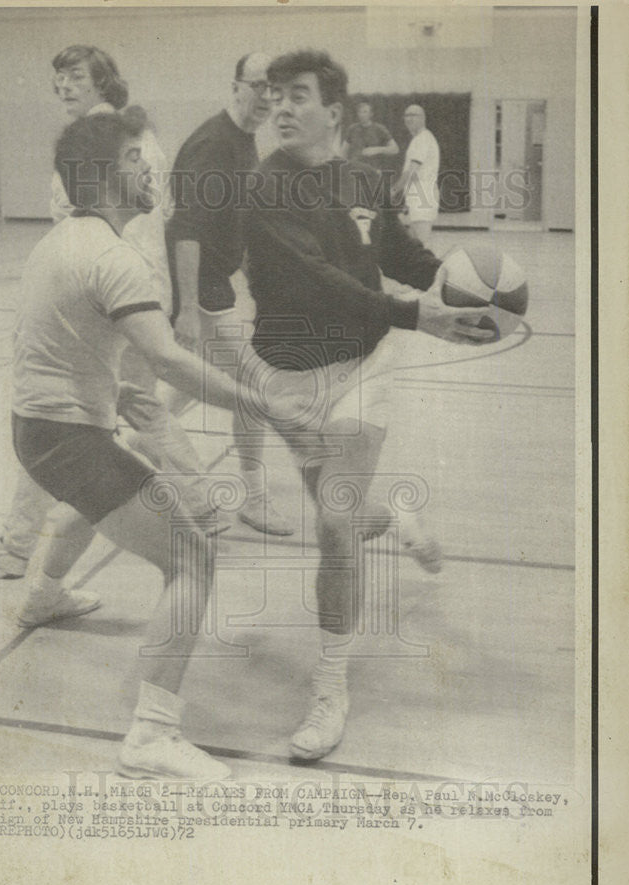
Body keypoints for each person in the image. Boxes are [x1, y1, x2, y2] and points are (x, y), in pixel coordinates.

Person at [12, 112, 304, 778]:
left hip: (38, 430)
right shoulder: (113, 257)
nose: (153, 169)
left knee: (107, 489)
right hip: (66, 437)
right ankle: (151, 734)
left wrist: (126, 416)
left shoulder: (59, 239)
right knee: (193, 559)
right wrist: (263, 404)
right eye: (139, 158)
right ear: (110, 172)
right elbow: (167, 360)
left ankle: (41, 595)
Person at [244, 50, 489, 761]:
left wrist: (467, 284)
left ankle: (329, 688)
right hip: (286, 378)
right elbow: (315, 279)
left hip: (364, 366)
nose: (283, 107)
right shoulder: (264, 187)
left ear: (335, 111)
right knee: (345, 514)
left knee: (331, 524)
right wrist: (422, 317)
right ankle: (400, 519)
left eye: (298, 95)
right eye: (275, 96)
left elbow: (404, 258)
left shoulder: (364, 179)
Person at [0, 45, 219, 625]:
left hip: (119, 299)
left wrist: (170, 306)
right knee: (97, 431)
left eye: (75, 76)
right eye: (56, 80)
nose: (64, 87)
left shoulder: (114, 140)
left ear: (102, 78)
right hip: (107, 294)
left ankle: (20, 544)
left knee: (90, 428)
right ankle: (33, 555)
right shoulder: (100, 137)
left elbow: (151, 224)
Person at [166, 52, 293, 537]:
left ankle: (136, 438)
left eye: (273, 90)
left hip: (213, 287)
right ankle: (252, 498)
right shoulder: (214, 144)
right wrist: (185, 310)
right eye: (258, 86)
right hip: (198, 294)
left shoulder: (244, 141)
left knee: (171, 396)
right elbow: (187, 229)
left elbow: (232, 222)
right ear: (236, 85)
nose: (266, 97)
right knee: (250, 392)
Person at [394, 104, 440, 247]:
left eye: (413, 115)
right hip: (417, 195)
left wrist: (394, 191)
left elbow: (411, 171)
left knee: (421, 244)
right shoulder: (419, 139)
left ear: (423, 118)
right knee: (415, 244)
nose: (409, 119)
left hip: (423, 195)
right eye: (406, 115)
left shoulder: (423, 139)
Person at [342, 99, 398, 173]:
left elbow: (395, 149)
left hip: (373, 171)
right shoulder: (352, 128)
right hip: (355, 171)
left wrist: (376, 149)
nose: (362, 114)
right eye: (360, 112)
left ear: (371, 114)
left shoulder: (379, 128)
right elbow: (343, 151)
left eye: (365, 112)